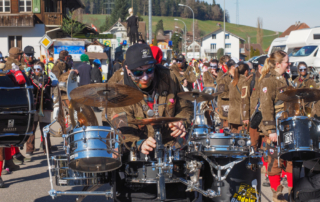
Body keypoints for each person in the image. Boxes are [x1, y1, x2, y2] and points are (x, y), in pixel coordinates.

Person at [108, 43, 193, 201]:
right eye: (138, 73)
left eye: (149, 70)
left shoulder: (169, 76)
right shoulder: (117, 86)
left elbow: (186, 107)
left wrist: (182, 121)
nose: (145, 77)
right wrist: (139, 142)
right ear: (127, 69)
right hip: (135, 156)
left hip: (170, 150)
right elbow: (120, 124)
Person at [259, 50, 293, 202]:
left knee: (290, 159)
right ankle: (276, 195)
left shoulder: (285, 78)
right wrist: (271, 130)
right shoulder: (268, 80)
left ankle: (292, 191)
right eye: (287, 62)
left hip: (286, 125)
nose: (289, 64)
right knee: (274, 161)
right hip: (274, 126)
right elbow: (266, 107)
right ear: (278, 64)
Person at [26, 62, 53, 159]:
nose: (36, 71)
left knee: (45, 129)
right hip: (34, 107)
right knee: (31, 129)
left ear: (42, 69)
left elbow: (48, 83)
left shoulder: (48, 79)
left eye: (38, 69)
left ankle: (47, 148)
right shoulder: (30, 79)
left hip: (45, 107)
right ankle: (29, 149)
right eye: (35, 69)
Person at [227, 62, 250, 132]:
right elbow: (245, 99)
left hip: (231, 115)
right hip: (240, 116)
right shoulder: (245, 81)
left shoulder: (232, 82)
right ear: (246, 71)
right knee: (241, 139)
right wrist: (246, 116)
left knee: (233, 140)